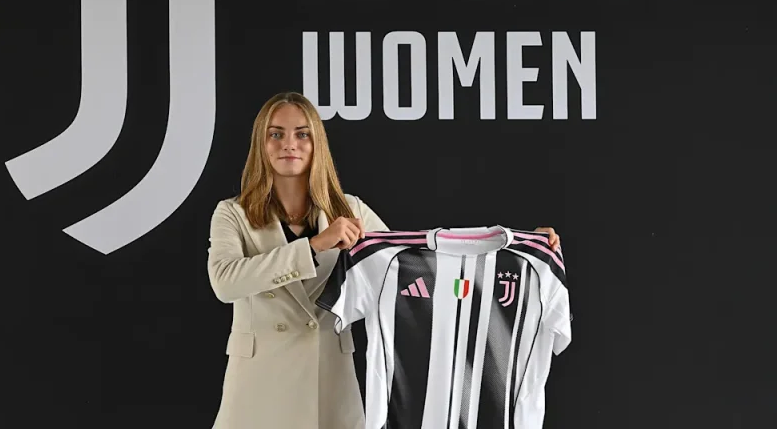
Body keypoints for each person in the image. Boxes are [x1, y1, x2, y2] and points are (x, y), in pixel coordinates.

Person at [206, 91, 561, 429]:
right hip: (259, 382)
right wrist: (313, 246)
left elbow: (412, 265)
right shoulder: (233, 213)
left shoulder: (350, 210)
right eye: (276, 134)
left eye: (302, 134)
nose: (289, 144)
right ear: (261, 143)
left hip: (328, 379)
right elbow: (225, 281)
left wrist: (519, 249)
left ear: (317, 144)